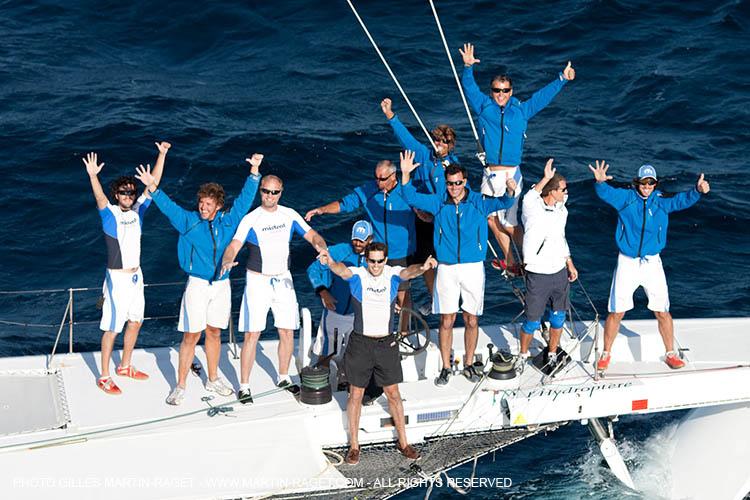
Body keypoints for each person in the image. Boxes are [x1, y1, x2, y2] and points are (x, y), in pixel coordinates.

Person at [135, 153, 263, 405]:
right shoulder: (188, 221)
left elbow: (245, 201)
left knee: (214, 333)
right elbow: (167, 205)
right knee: (191, 335)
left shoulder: (228, 221)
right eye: (201, 203)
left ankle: (213, 378)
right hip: (197, 286)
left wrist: (255, 173)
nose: (203, 208)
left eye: (208, 204)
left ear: (218, 206)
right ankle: (180, 385)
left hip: (221, 286)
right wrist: (152, 186)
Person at [399, 151, 515, 386]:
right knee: (446, 320)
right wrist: (404, 174)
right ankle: (445, 367)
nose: (453, 188)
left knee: (471, 319)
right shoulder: (438, 201)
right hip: (447, 269)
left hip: (472, 268)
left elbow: (505, 202)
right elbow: (408, 195)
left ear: (465, 182)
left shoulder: (478, 202)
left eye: (458, 183)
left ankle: (470, 363)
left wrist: (511, 189)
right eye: (450, 183)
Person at [460, 42, 575, 274]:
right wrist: (467, 67)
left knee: (508, 223)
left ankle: (534, 257)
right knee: (490, 218)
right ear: (491, 91)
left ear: (511, 91)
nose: (500, 95)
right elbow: (468, 88)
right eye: (496, 90)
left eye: (504, 91)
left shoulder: (520, 111)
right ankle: (511, 262)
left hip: (511, 174)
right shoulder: (484, 107)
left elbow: (542, 98)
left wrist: (561, 78)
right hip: (489, 173)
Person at [319, 242, 436, 465]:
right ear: (366, 259)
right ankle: (354, 446)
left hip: (386, 345)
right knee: (356, 395)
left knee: (393, 394)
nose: (375, 265)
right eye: (371, 261)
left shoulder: (392, 275)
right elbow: (341, 270)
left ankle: (404, 443)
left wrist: (423, 267)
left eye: (379, 261)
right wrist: (330, 262)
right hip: (360, 344)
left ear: (385, 260)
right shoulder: (357, 275)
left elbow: (408, 271)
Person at [589, 160, 710, 371]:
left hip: (652, 263)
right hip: (627, 262)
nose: (646, 187)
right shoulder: (626, 199)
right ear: (637, 182)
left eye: (650, 183)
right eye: (643, 183)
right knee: (617, 311)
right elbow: (606, 194)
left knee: (662, 310)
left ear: (655, 184)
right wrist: (599, 183)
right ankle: (606, 353)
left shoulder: (661, 201)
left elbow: (681, 201)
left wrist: (697, 191)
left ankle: (670, 353)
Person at [220, 175, 328, 404]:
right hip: (257, 281)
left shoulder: (289, 215)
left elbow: (313, 236)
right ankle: (245, 386)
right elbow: (234, 246)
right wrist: (227, 260)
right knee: (252, 334)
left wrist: (322, 248)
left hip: (283, 280)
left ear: (281, 192)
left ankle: (283, 377)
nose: (269, 196)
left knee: (287, 330)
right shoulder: (251, 218)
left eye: (274, 192)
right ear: (260, 192)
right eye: (265, 191)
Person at [84, 142, 170, 395]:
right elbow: (99, 197)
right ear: (116, 195)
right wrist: (93, 176)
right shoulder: (109, 213)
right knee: (113, 328)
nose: (128, 196)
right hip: (117, 279)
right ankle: (104, 376)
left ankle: (125, 366)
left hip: (136, 276)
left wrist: (162, 154)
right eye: (123, 193)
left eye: (131, 193)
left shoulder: (138, 211)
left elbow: (153, 183)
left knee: (136, 321)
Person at [305, 159, 416, 311]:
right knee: (378, 293)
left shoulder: (406, 192)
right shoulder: (369, 190)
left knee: (401, 295)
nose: (378, 182)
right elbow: (346, 203)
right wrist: (322, 210)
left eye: (382, 179)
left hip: (400, 252)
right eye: (375, 177)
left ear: (393, 176)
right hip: (376, 250)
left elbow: (424, 206)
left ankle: (404, 331)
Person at [380, 98, 460, 303]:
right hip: (420, 217)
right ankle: (434, 298)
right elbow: (406, 139)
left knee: (442, 260)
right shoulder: (425, 155)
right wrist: (390, 115)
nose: (439, 144)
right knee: (423, 260)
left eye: (444, 142)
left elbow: (450, 195)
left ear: (451, 146)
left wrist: (429, 212)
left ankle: (445, 299)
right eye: (437, 140)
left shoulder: (453, 167)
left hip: (440, 219)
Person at [518, 159, 578, 368]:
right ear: (552, 191)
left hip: (559, 272)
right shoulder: (532, 209)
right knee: (532, 321)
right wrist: (546, 178)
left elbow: (561, 238)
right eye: (563, 189)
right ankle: (523, 355)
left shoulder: (562, 211)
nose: (566, 193)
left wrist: (569, 263)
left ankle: (552, 352)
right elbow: (530, 195)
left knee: (558, 317)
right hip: (538, 274)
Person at [307, 220, 373, 365]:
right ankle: (322, 380)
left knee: (355, 354)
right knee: (328, 352)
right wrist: (323, 291)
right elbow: (313, 270)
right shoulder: (338, 251)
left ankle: (346, 381)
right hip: (335, 312)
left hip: (358, 316)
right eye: (355, 239)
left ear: (370, 239)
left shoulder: (374, 258)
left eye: (362, 240)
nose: (357, 243)